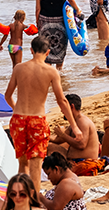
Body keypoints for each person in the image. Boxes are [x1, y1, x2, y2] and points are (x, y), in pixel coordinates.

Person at [4, 35, 73, 188]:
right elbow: (61, 100)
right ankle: (34, 201)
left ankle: (21, 196)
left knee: (22, 163)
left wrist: (17, 110)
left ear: (31, 50)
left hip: (18, 119)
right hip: (37, 120)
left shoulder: (19, 68)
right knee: (36, 165)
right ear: (48, 52)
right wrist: (74, 126)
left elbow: (7, 96)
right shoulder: (51, 72)